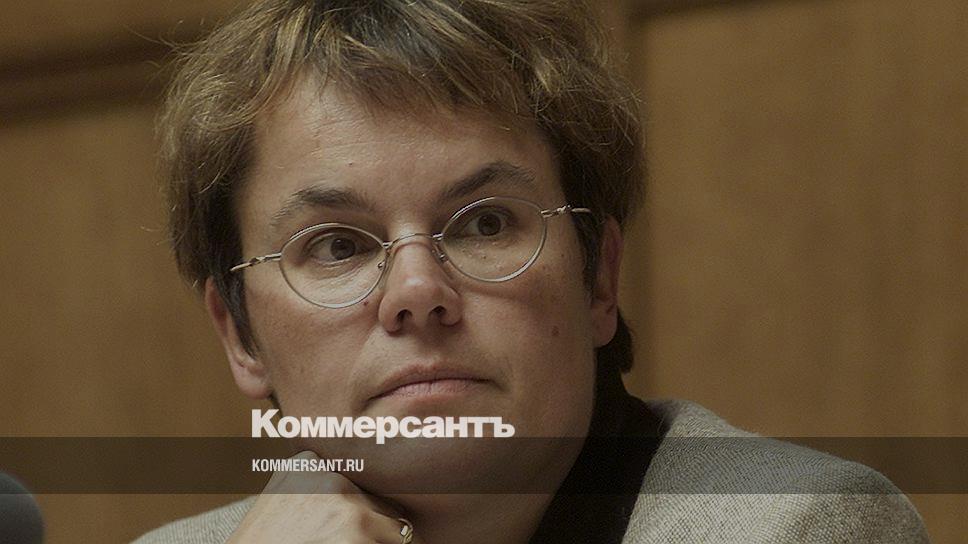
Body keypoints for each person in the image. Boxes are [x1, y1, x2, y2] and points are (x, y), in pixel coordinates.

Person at [136, 1, 929, 542]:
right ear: (239, 335)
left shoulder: (792, 526)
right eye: (339, 247)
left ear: (599, 280)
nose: (417, 293)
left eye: (485, 224)